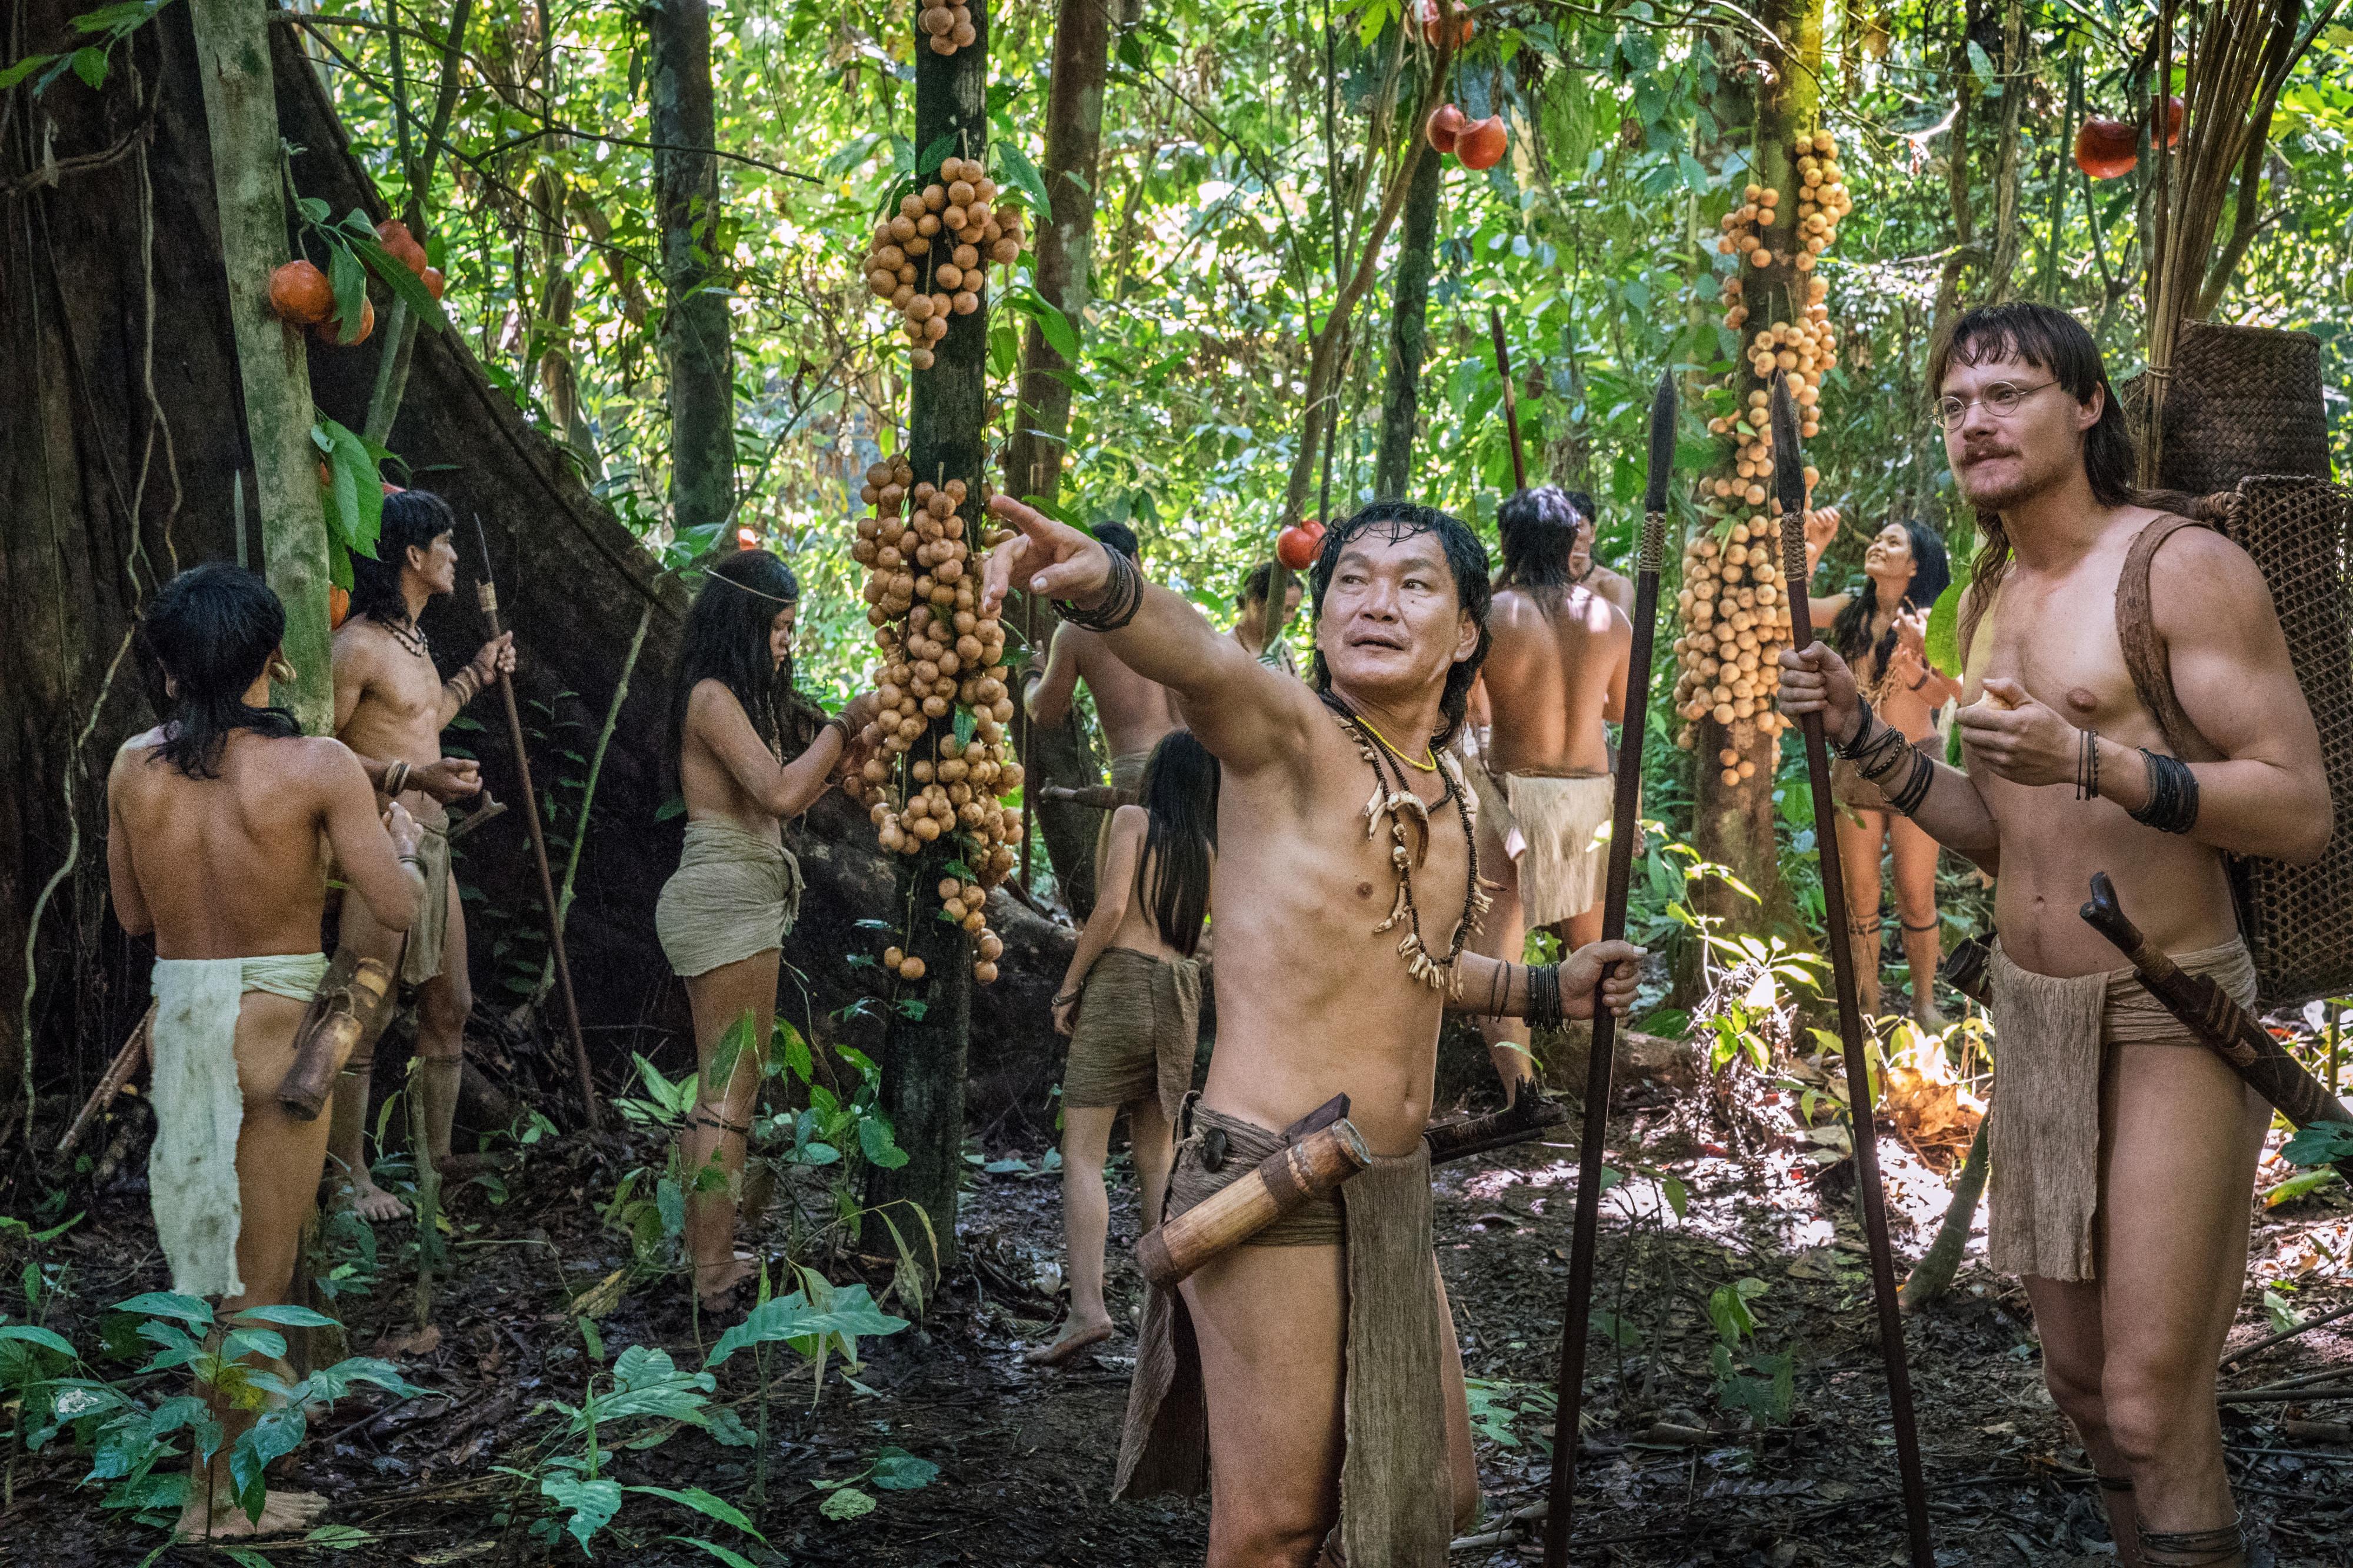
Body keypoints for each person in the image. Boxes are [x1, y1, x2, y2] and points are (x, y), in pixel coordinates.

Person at [981, 494, 1641, 1566]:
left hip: (1385, 1185)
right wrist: (1105, 583)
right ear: (1322, 612)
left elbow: (1404, 963)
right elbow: (1203, 658)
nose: (1377, 604)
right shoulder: (1289, 736)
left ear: (1467, 630)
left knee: (1437, 1488)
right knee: (1273, 1528)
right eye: (1352, 582)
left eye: (1414, 583)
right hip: (1271, 1178)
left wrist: (1545, 988)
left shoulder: (1453, 789)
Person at [1777, 302, 2329, 1568]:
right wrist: (1866, 734)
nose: (1976, 421)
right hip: (2034, 1015)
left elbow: (2295, 806)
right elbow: (2009, 837)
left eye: (2008, 392)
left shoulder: (2175, 566)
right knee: (2080, 1396)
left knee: (2148, 1400)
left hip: (2170, 1011)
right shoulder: (1988, 591)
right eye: (1956, 402)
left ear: (2085, 407)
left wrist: (2097, 760)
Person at [107, 565, 424, 1540]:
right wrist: (397, 840)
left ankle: (233, 1451)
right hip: (276, 1030)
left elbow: (130, 913)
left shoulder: (131, 766)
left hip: (183, 1016)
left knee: (206, 1266)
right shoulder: (320, 765)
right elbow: (399, 906)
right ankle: (219, 1500)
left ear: (168, 668)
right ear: (273, 658)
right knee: (259, 1277)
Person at [659, 548, 879, 1313]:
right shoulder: (714, 696)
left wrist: (846, 756)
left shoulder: (733, 697)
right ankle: (713, 1269)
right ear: (748, 621)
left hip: (734, 893)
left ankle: (707, 1252)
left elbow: (787, 793)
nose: (788, 641)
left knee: (723, 1090)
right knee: (728, 1093)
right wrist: (847, 721)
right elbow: (782, 793)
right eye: (780, 626)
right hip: (725, 897)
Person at [326, 489, 515, 1223]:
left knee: (452, 1005)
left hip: (433, 845)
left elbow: (419, 720)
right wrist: (412, 781)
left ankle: (433, 1160)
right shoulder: (357, 647)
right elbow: (324, 755)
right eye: (446, 542)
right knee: (360, 1012)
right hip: (381, 847)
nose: (456, 557)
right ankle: (350, 1179)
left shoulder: (414, 643)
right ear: (412, 555)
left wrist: (476, 669)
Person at [1029, 729, 1220, 1367]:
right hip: (1180, 992)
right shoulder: (1205, 850)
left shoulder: (1134, 819)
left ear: (1157, 776)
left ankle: (1088, 1309)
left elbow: (1110, 909)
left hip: (1122, 985)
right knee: (1156, 1156)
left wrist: (1069, 985)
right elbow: (1211, 935)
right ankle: (1164, 1313)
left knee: (1082, 1153)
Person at [1461, 487, 1632, 1104]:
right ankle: (1604, 1078)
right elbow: (1619, 705)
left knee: (1496, 960)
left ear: (1508, 544)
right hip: (1588, 796)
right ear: (1570, 544)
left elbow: (1461, 705)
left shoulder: (1488, 617)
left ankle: (1522, 1093)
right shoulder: (1608, 618)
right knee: (1596, 949)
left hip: (1512, 794)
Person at [1801, 512, 1961, 1026]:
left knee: (1917, 895)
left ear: (1915, 564)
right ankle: (1866, 1005)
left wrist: (1914, 671)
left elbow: (1943, 695)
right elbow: (1793, 612)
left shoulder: (1930, 621)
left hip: (1918, 767)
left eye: (1893, 542)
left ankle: (1924, 1004)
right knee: (1861, 895)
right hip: (1856, 767)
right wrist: (1814, 547)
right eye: (1878, 538)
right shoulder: (1852, 611)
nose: (1878, 545)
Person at [1025, 521, 1184, 839]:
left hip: (1139, 777)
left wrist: (1031, 674)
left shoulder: (1078, 630)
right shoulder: (1175, 609)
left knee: (1128, 886)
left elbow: (1046, 712)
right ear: (1136, 559)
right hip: (1195, 767)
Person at [1564, 489, 1635, 619]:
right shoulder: (1543, 585)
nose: (1571, 536)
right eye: (1563, 528)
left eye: (1578, 527)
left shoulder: (1615, 586)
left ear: (1592, 533)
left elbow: (1620, 636)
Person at [1229, 560, 1305, 678]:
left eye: (1293, 610)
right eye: (1285, 610)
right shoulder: (1228, 648)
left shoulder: (1283, 651)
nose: (1289, 620)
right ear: (1255, 603)